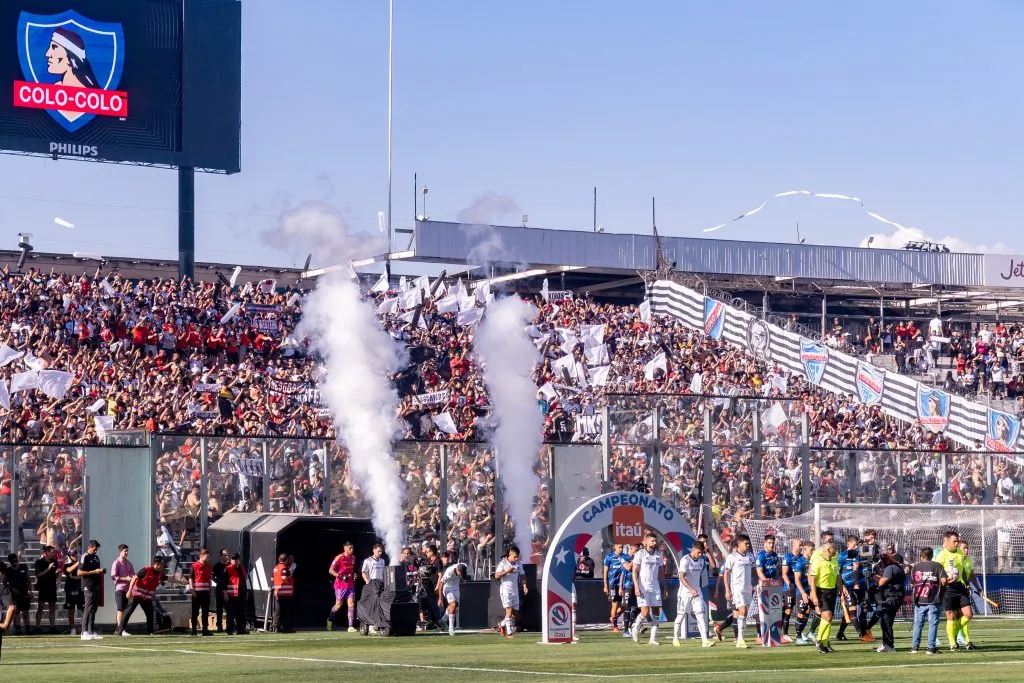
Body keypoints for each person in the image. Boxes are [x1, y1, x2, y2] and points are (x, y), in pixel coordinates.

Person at [935, 530, 975, 651]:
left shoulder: (960, 553)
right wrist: (945, 580)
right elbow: (937, 573)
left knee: (968, 614)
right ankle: (952, 643)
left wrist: (966, 583)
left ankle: (953, 631)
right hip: (947, 588)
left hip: (960, 587)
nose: (956, 543)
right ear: (946, 541)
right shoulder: (942, 555)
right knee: (951, 616)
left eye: (957, 541)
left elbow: (961, 571)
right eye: (954, 541)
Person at [673, 541, 714, 648]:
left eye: (702, 553)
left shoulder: (701, 561)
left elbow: (713, 566)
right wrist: (690, 589)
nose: (700, 555)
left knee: (700, 615)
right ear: (693, 549)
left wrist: (696, 589)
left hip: (697, 591)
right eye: (699, 552)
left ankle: (704, 641)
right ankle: (675, 638)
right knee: (681, 615)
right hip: (685, 592)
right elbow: (681, 577)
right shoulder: (685, 560)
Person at [719, 534, 755, 648]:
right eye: (746, 544)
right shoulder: (732, 557)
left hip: (748, 588)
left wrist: (757, 583)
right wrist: (727, 590)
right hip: (737, 588)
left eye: (748, 543)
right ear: (739, 544)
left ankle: (740, 638)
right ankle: (740, 639)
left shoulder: (750, 556)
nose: (748, 545)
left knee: (744, 614)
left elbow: (753, 572)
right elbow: (726, 574)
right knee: (742, 611)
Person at [116, 556, 166, 637]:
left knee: (150, 614)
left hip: (146, 598)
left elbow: (169, 578)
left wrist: (180, 582)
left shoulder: (160, 573)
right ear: (157, 564)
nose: (163, 567)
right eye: (162, 565)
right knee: (128, 612)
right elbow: (134, 578)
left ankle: (150, 632)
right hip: (136, 595)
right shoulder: (146, 570)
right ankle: (120, 630)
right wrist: (129, 590)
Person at [630, 531, 666, 646]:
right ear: (646, 542)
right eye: (652, 541)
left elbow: (661, 573)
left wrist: (665, 588)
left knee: (656, 612)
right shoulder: (640, 554)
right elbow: (634, 571)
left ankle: (653, 638)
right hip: (643, 587)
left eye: (655, 541)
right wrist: (636, 586)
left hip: (655, 587)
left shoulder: (658, 555)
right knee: (645, 612)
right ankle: (635, 627)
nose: (654, 543)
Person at [909, 547, 945, 655]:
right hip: (933, 599)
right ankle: (930, 648)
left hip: (919, 600)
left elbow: (911, 584)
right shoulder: (937, 566)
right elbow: (944, 581)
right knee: (933, 624)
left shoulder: (916, 567)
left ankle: (914, 648)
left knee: (918, 624)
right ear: (932, 556)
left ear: (922, 556)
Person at [809, 538, 840, 654]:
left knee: (829, 618)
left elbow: (837, 577)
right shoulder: (817, 561)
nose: (835, 551)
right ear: (828, 549)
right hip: (821, 591)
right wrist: (814, 595)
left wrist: (842, 590)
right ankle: (819, 640)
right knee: (826, 616)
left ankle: (825, 643)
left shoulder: (834, 561)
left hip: (832, 591)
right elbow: (812, 579)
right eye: (834, 549)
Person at [874, 551, 906, 652]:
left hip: (892, 597)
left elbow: (881, 582)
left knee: (886, 620)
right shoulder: (896, 568)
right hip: (895, 596)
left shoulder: (891, 568)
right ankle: (886, 643)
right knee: (885, 620)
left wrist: (872, 576)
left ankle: (889, 645)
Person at [494, 544, 528, 639]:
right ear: (510, 554)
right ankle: (509, 633)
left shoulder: (518, 564)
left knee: (515, 613)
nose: (516, 558)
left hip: (515, 590)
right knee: (508, 611)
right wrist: (507, 571)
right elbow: (496, 576)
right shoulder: (503, 563)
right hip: (505, 589)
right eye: (515, 556)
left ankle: (501, 624)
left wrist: (525, 586)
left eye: (517, 557)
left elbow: (522, 575)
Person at [754, 534, 781, 643]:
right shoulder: (761, 555)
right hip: (764, 586)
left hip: (774, 585)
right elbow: (759, 572)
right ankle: (760, 635)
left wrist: (776, 580)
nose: (771, 545)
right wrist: (766, 582)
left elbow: (776, 569)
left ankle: (775, 635)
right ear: (765, 543)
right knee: (762, 611)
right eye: (769, 543)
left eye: (773, 543)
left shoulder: (775, 555)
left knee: (775, 610)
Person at [836, 536, 863, 641]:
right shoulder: (842, 556)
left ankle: (840, 633)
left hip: (857, 587)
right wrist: (842, 586)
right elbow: (837, 572)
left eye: (857, 545)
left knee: (848, 612)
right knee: (852, 611)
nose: (856, 547)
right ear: (848, 543)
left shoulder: (858, 555)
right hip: (846, 587)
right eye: (854, 545)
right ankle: (862, 635)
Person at [77, 539, 105, 641]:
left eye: (96, 549)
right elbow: (79, 572)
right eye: (94, 549)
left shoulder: (96, 557)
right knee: (88, 609)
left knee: (94, 609)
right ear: (89, 547)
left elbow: (96, 571)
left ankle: (91, 631)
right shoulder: (84, 556)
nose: (95, 551)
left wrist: (100, 572)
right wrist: (94, 572)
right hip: (87, 586)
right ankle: (83, 632)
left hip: (96, 586)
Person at [327, 541, 357, 631]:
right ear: (345, 548)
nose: (351, 550)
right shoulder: (339, 557)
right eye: (349, 548)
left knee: (351, 604)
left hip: (350, 585)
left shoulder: (353, 558)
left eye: (352, 548)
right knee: (338, 605)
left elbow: (351, 570)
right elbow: (330, 570)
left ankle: (350, 626)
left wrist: (354, 574)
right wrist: (340, 576)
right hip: (340, 585)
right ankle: (329, 619)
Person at [437, 551, 466, 636]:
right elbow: (441, 584)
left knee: (455, 606)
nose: (459, 575)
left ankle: (442, 620)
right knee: (453, 605)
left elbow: (464, 575)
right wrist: (440, 598)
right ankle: (451, 629)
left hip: (456, 588)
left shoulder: (463, 566)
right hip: (447, 588)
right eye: (459, 573)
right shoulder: (449, 574)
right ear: (456, 570)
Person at [791, 541, 815, 644]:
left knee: (807, 611)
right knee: (801, 613)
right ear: (805, 549)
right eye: (811, 550)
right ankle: (798, 637)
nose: (812, 552)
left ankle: (802, 634)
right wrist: (803, 593)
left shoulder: (813, 561)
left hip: (810, 591)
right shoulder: (800, 561)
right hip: (802, 592)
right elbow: (797, 579)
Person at [33, 545, 59, 634]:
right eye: (52, 552)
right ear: (46, 552)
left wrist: (58, 573)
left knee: (52, 609)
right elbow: (38, 575)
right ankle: (37, 627)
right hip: (43, 587)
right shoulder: (39, 562)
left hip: (52, 587)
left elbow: (55, 576)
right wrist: (48, 568)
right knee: (40, 608)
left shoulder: (54, 561)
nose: (53, 554)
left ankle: (52, 627)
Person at [780, 537, 802, 640]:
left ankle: (799, 633)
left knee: (801, 610)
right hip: (789, 587)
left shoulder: (802, 557)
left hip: (800, 587)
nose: (801, 547)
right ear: (793, 546)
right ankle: (785, 634)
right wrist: (790, 584)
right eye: (800, 545)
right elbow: (784, 574)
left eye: (802, 545)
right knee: (788, 610)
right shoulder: (788, 557)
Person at [189, 548, 213, 636]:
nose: (208, 558)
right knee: (195, 612)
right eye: (207, 556)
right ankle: (194, 629)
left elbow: (209, 579)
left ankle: (205, 629)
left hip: (205, 592)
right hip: (197, 593)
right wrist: (192, 590)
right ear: (202, 556)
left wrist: (210, 590)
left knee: (205, 612)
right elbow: (190, 578)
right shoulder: (194, 566)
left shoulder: (209, 566)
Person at [111, 544, 135, 631]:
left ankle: (118, 628)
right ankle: (121, 629)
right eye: (125, 551)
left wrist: (133, 578)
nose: (127, 553)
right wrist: (126, 578)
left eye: (127, 551)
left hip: (128, 589)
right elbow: (114, 576)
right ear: (120, 552)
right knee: (120, 609)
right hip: (120, 589)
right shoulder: (116, 563)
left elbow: (133, 575)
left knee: (124, 610)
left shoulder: (129, 563)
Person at [603, 543, 626, 632]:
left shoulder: (625, 557)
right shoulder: (609, 557)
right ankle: (615, 626)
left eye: (622, 547)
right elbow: (605, 572)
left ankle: (613, 617)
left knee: (624, 606)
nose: (621, 549)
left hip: (623, 584)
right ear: (615, 547)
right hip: (612, 584)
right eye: (619, 547)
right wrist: (605, 585)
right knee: (615, 604)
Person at [619, 542, 639, 638]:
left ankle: (631, 625)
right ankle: (626, 630)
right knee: (627, 607)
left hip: (638, 586)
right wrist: (620, 587)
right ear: (630, 548)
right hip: (628, 586)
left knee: (638, 608)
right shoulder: (624, 557)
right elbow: (627, 567)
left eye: (638, 548)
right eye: (635, 547)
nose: (637, 549)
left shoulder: (640, 557)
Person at [225, 553, 248, 635]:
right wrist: (225, 593)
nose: (234, 561)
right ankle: (230, 630)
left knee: (241, 613)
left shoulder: (241, 568)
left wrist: (246, 592)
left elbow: (244, 581)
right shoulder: (228, 569)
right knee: (231, 614)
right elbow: (223, 583)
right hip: (232, 595)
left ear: (239, 560)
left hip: (241, 594)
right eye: (233, 559)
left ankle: (240, 629)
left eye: (236, 559)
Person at [272, 553, 295, 633]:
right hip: (285, 593)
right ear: (286, 560)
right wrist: (290, 575)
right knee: (285, 611)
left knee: (278, 610)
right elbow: (284, 577)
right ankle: (286, 628)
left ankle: (275, 627)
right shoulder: (284, 568)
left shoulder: (276, 568)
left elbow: (272, 579)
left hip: (277, 592)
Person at [63, 548, 84, 635]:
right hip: (70, 590)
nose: (75, 556)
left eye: (75, 554)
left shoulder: (82, 565)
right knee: (71, 610)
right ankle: (72, 628)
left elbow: (82, 575)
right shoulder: (67, 565)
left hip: (80, 590)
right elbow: (69, 570)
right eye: (72, 554)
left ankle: (85, 627)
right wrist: (78, 563)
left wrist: (76, 577)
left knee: (83, 609)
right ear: (70, 556)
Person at [212, 549, 230, 632]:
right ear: (221, 556)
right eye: (225, 555)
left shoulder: (230, 566)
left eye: (227, 555)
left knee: (229, 609)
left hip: (229, 590)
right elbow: (212, 576)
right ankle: (219, 626)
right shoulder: (217, 566)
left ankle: (229, 626)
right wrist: (219, 582)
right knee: (219, 609)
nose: (227, 556)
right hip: (219, 590)